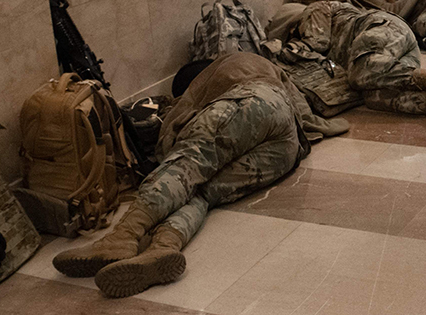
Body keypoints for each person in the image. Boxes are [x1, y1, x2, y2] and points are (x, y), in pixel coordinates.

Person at [51, 53, 348, 297]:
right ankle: (163, 247)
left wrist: (169, 153)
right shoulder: (266, 66)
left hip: (252, 104)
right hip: (286, 146)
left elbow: (177, 127)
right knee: (203, 193)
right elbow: (307, 113)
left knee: (184, 168)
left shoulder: (212, 75)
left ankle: (123, 236)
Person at [266, 1, 426, 127]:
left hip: (383, 30)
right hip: (389, 51)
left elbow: (317, 42)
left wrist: (287, 49)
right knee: (375, 97)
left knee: (359, 73)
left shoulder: (314, 10)